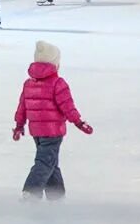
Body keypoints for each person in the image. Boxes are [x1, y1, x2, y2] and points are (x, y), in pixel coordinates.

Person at [12, 41, 93, 201]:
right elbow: (68, 107)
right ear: (55, 64)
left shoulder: (29, 84)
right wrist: (79, 122)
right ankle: (31, 191)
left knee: (51, 162)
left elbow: (22, 107)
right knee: (45, 162)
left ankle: (56, 196)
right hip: (53, 132)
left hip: (36, 132)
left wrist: (19, 125)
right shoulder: (58, 83)